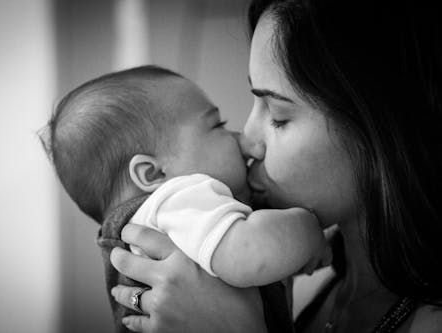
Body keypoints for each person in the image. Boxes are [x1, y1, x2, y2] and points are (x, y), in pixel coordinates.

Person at [109, 0, 442, 332]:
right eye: (255, 101)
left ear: (380, 128)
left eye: (279, 116)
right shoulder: (300, 282)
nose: (249, 139)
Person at [40, 65, 330, 332]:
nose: (241, 138)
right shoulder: (175, 199)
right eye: (218, 125)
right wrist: (307, 228)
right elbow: (250, 253)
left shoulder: (162, 218)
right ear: (153, 174)